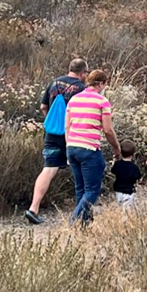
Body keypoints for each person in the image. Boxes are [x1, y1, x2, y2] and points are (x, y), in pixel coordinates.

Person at [25, 57, 88, 225]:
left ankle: (33, 208)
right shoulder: (82, 88)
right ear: (83, 73)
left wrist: (52, 123)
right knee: (81, 168)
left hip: (52, 134)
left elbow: (43, 107)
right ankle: (81, 211)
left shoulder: (54, 83)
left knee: (48, 169)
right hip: (73, 135)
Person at [65, 69, 122, 226]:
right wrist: (116, 148)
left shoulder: (73, 100)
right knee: (92, 190)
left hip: (72, 146)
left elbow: (67, 127)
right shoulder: (102, 101)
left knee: (80, 189)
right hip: (89, 148)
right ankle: (73, 222)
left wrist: (68, 145)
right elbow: (108, 130)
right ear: (101, 84)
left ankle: (84, 224)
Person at [112, 139, 142, 209]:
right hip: (129, 192)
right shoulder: (134, 167)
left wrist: (115, 160)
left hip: (118, 191)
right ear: (133, 154)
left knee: (120, 207)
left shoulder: (117, 164)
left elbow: (113, 171)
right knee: (127, 211)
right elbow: (138, 178)